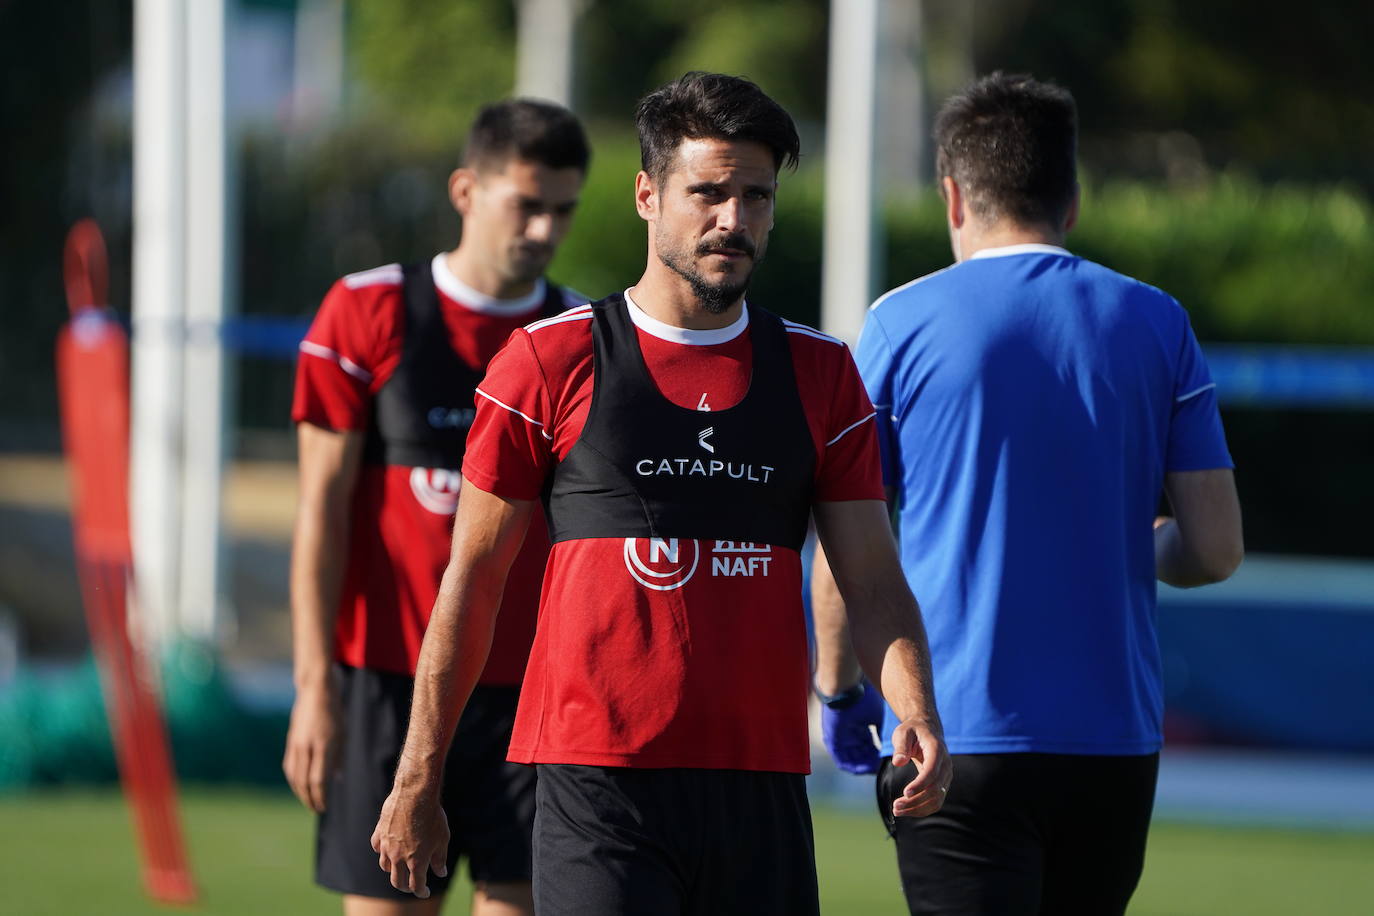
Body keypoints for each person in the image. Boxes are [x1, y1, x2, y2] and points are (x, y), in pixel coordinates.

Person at [368, 71, 952, 916]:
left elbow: (870, 576)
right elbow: (474, 581)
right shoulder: (546, 362)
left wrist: (918, 710)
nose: (733, 219)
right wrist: (418, 772)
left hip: (762, 787)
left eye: (755, 196)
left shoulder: (822, 373)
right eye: (708, 193)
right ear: (648, 194)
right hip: (597, 784)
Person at [812, 72, 1245, 915]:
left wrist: (837, 691)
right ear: (1072, 199)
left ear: (951, 197)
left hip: (949, 731)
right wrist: (1137, 540)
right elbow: (1215, 550)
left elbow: (845, 546)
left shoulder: (900, 323)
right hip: (1113, 741)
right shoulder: (1158, 321)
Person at [283, 98, 591, 916]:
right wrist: (315, 686)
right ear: (466, 190)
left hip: (531, 697)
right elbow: (321, 512)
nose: (544, 229)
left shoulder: (580, 336)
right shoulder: (366, 308)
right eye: (526, 204)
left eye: (562, 210)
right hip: (385, 688)